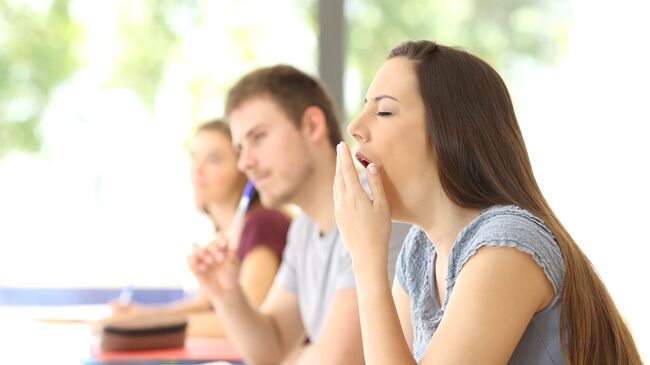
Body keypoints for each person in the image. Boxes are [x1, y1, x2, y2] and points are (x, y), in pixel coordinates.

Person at [333, 40, 642, 365]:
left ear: (448, 132)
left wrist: (366, 262)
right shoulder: (418, 253)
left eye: (384, 111)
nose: (354, 127)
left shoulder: (508, 247)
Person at [188, 65, 406, 364]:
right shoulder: (303, 228)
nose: (245, 163)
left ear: (313, 125)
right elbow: (269, 349)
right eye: (240, 147)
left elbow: (336, 361)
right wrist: (227, 294)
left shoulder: (373, 208)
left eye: (258, 137)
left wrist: (295, 356)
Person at [105, 119, 290, 337]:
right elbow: (203, 304)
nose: (197, 169)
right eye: (194, 156)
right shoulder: (225, 232)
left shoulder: (263, 223)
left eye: (213, 159)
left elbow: (247, 323)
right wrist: (141, 315)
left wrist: (142, 326)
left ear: (243, 167)